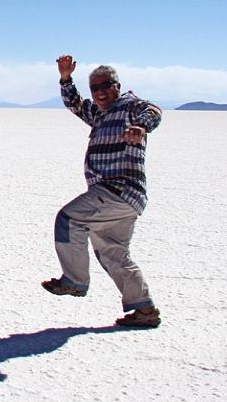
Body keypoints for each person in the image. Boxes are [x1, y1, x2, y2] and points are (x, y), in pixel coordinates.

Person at [41, 55, 163, 328]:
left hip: (118, 189)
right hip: (120, 197)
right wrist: (65, 78)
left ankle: (74, 281)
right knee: (113, 253)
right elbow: (74, 104)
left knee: (69, 219)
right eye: (94, 89)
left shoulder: (130, 107)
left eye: (105, 86)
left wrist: (141, 127)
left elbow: (153, 110)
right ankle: (144, 310)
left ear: (117, 86)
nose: (99, 93)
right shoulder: (100, 113)